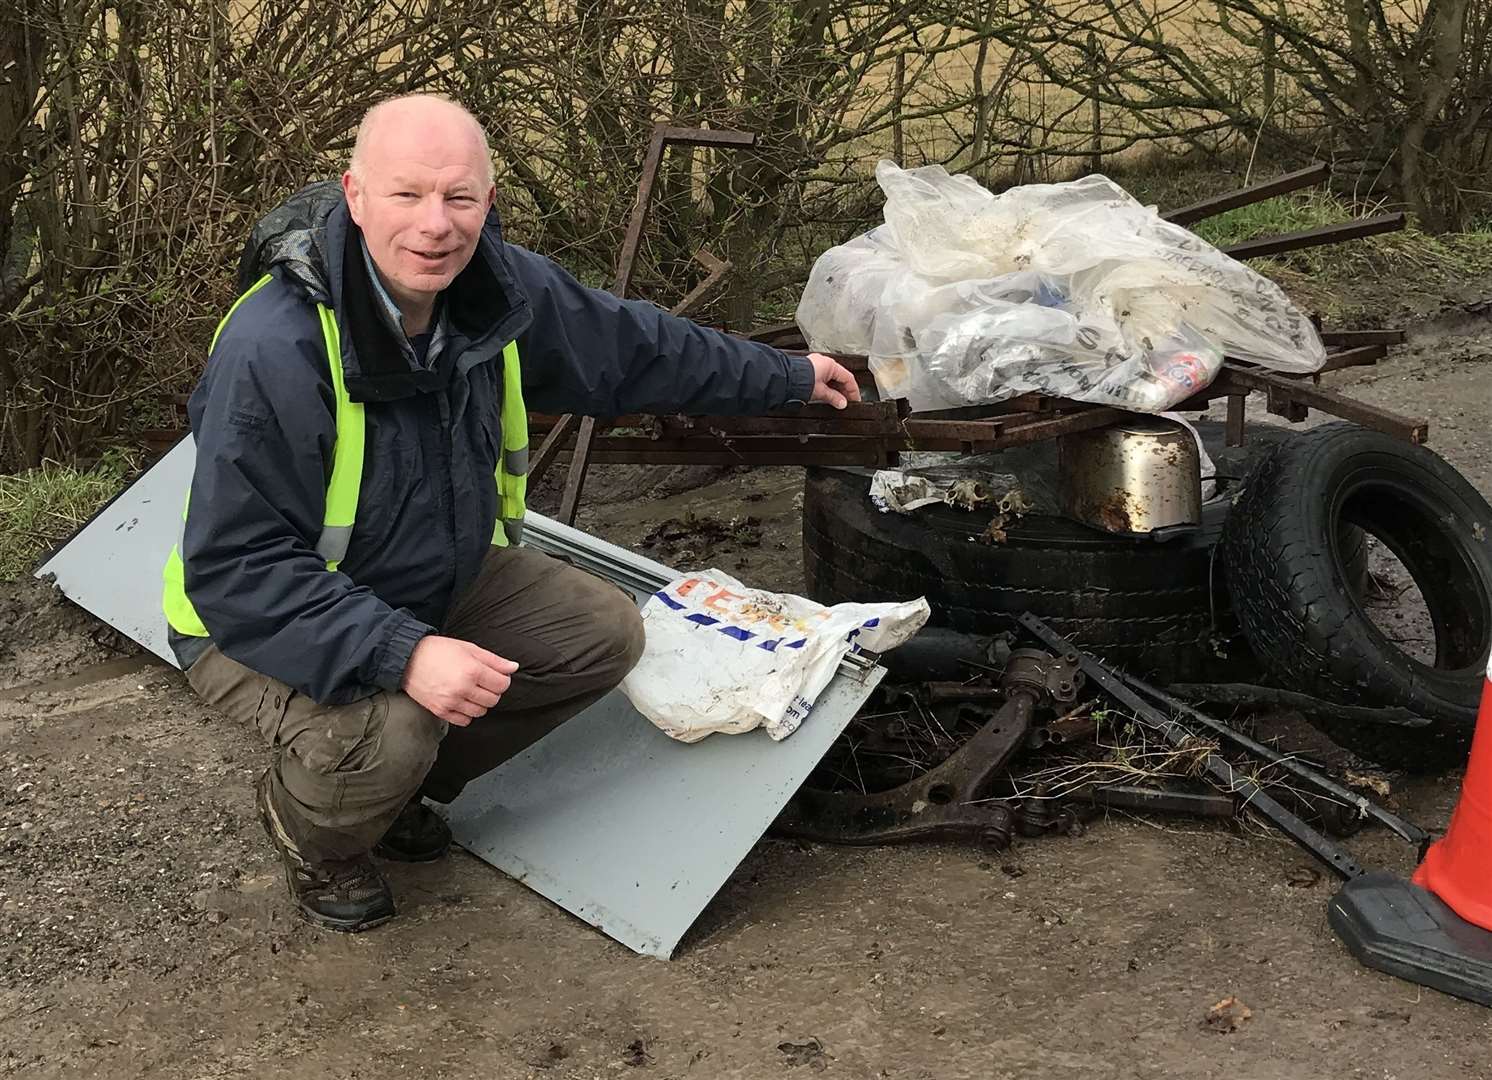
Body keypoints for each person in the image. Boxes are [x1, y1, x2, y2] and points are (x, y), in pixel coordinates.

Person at [162, 94, 861, 932]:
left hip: (428, 571)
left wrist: (785, 377)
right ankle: (320, 836)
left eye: (459, 198)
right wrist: (405, 651)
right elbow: (239, 568)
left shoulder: (494, 288)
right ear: (354, 197)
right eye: (407, 195)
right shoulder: (277, 348)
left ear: (488, 204)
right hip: (254, 618)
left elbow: (633, 346)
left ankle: (393, 791)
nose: (435, 226)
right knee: (398, 723)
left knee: (603, 633)